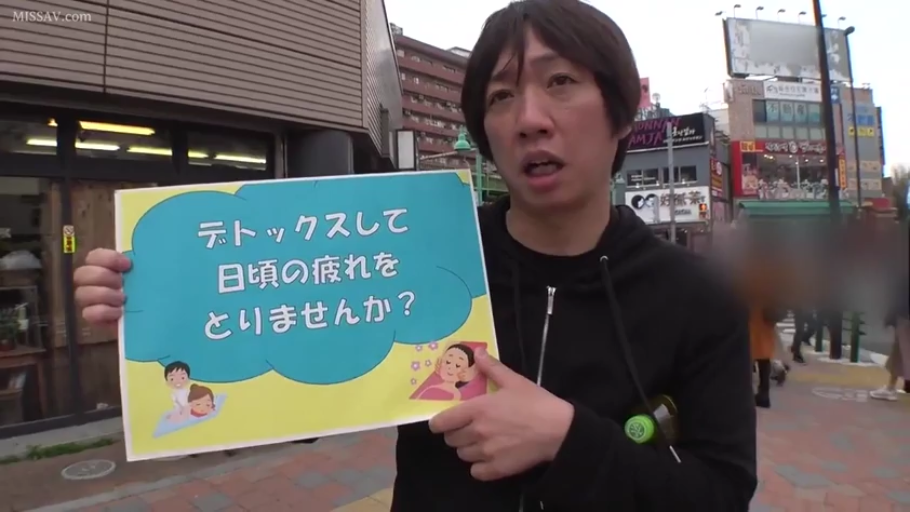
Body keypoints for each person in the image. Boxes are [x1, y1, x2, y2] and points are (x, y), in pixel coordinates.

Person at [73, 1, 757, 510]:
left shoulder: (700, 298)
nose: (529, 119)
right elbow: (298, 391)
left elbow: (720, 493)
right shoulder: (414, 255)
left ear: (622, 112)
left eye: (560, 82)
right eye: (501, 96)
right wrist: (162, 311)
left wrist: (567, 439)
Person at [871, 271, 910, 401]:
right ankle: (890, 388)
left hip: (905, 315)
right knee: (898, 353)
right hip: (904, 314)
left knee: (903, 351)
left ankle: (891, 388)